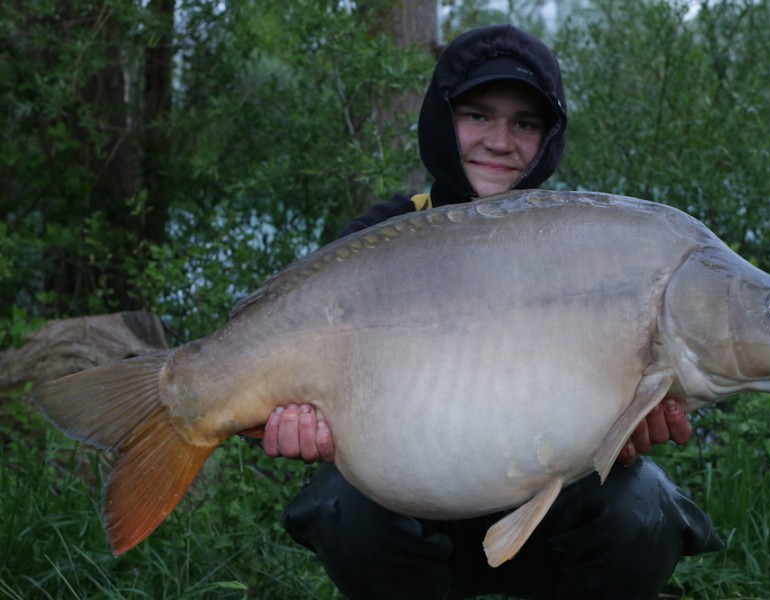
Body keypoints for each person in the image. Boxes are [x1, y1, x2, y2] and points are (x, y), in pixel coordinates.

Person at [263, 24, 723, 599]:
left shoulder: (586, 245)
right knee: (340, 505)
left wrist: (630, 419)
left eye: (525, 123)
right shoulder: (376, 241)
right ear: (440, 119)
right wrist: (300, 422)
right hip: (411, 497)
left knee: (644, 505)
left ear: (548, 137)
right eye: (478, 115)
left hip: (550, 499)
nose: (500, 141)